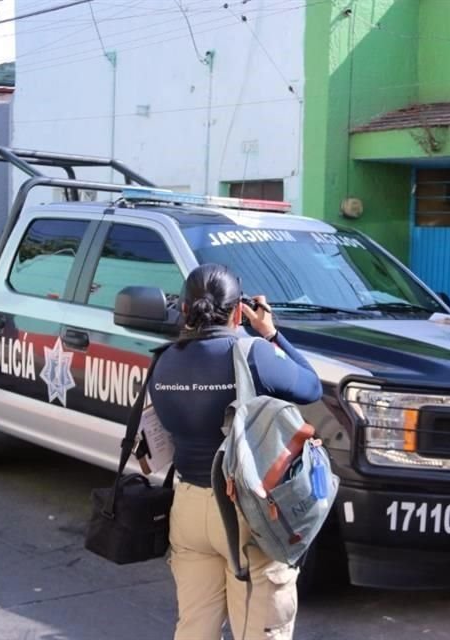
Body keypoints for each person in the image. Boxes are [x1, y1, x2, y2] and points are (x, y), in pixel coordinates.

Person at [148, 263, 322, 640]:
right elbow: (310, 387)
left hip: (188, 509)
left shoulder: (162, 361)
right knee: (259, 631)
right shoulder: (252, 353)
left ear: (184, 309)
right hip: (246, 512)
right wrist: (271, 333)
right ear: (238, 310)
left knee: (194, 629)